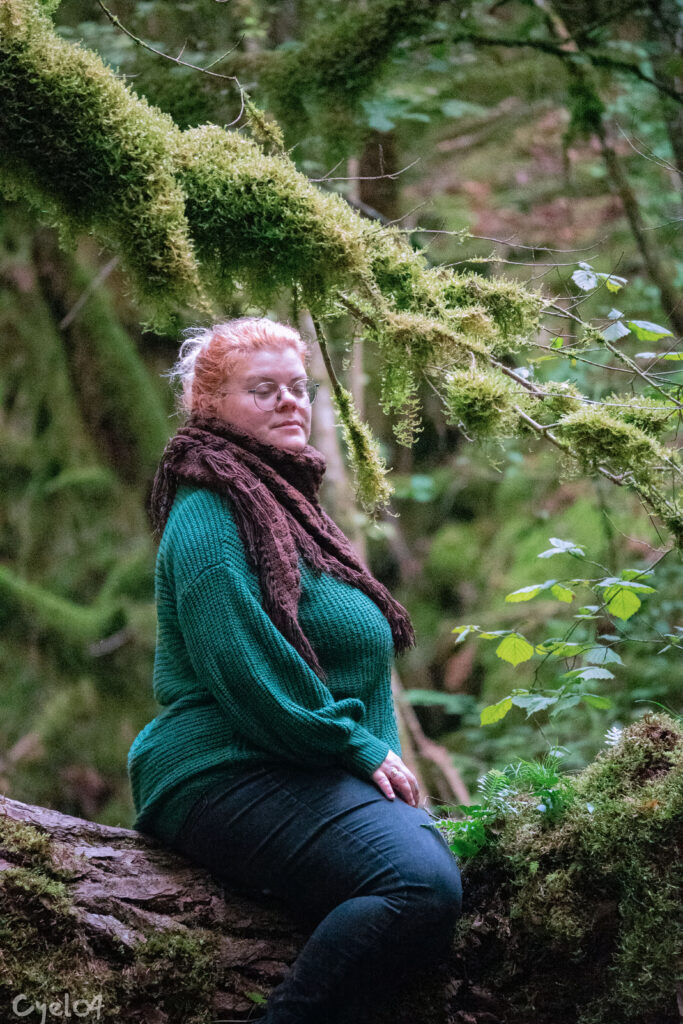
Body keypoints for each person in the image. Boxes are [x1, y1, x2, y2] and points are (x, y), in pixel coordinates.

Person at [128, 317, 462, 1024]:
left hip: (293, 764)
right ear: (209, 407)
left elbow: (349, 662)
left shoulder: (285, 507)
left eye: (298, 387)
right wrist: (355, 746)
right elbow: (248, 671)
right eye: (263, 390)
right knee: (420, 886)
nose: (290, 402)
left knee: (424, 893)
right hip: (221, 769)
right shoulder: (210, 511)